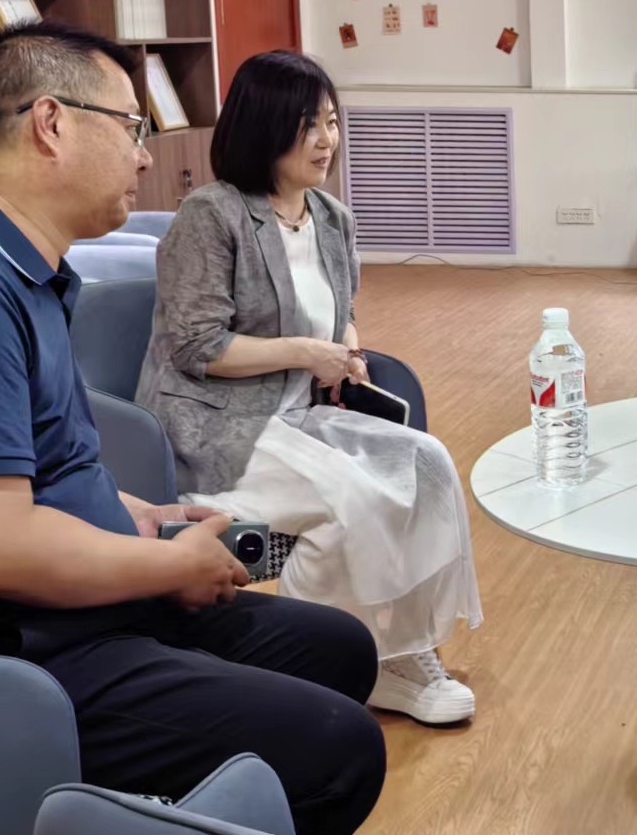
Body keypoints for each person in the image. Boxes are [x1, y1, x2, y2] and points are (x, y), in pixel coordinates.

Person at [0, 22, 384, 835]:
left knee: (339, 649)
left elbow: (33, 465)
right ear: (51, 123)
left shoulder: (6, 265)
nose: (144, 157)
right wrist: (165, 564)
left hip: (45, 606)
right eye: (131, 127)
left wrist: (135, 513)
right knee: (336, 745)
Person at [137, 49, 481, 727]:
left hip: (302, 412)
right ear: (265, 129)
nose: (328, 140)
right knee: (352, 497)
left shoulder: (331, 217)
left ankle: (403, 647)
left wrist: (346, 349)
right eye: (308, 126)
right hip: (221, 423)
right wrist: (307, 352)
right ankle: (342, 663)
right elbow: (197, 346)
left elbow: (341, 312)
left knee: (429, 464)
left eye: (331, 121)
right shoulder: (212, 215)